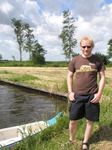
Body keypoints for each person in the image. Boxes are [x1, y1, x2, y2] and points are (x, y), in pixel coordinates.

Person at [67, 36, 105, 150]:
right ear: (80, 46)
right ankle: (71, 139)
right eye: (84, 46)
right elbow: (69, 76)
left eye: (89, 46)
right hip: (77, 96)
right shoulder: (74, 60)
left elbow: (102, 78)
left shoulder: (98, 60)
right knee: (73, 120)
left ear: (92, 46)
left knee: (89, 121)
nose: (86, 49)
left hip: (92, 96)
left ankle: (85, 142)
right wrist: (70, 92)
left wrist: (99, 94)